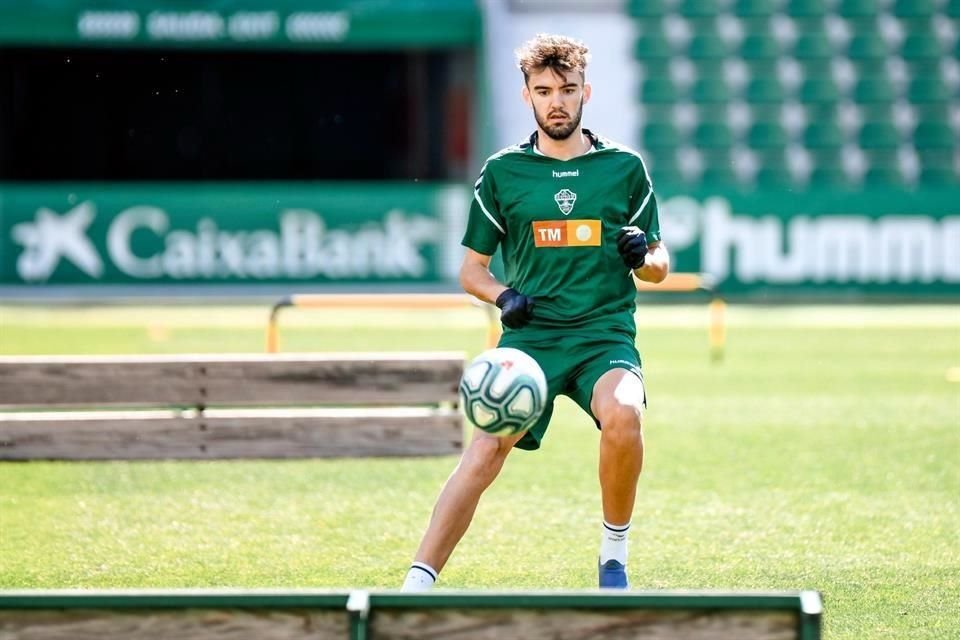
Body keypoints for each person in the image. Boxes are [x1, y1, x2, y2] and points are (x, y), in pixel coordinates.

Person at [401, 33, 669, 591]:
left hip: (604, 335)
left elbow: (660, 265)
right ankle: (417, 581)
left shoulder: (624, 168)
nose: (557, 101)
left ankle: (613, 556)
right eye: (544, 90)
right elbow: (471, 270)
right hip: (530, 340)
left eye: (567, 90)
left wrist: (643, 254)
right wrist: (502, 296)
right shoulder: (502, 173)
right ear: (526, 95)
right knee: (483, 451)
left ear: (585, 93)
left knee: (625, 413)